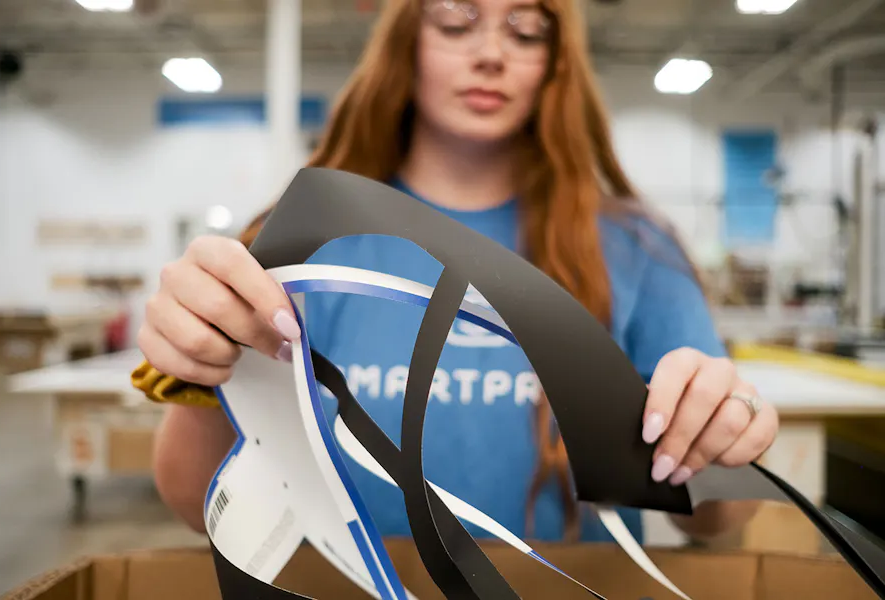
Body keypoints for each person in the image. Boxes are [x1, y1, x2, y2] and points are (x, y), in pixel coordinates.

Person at [132, 0, 779, 544]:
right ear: (407, 41)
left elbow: (720, 518)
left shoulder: (637, 252)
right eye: (455, 20)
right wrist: (198, 370)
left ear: (555, 64)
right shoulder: (303, 239)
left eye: (526, 31)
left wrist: (727, 433)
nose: (491, 52)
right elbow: (197, 505)